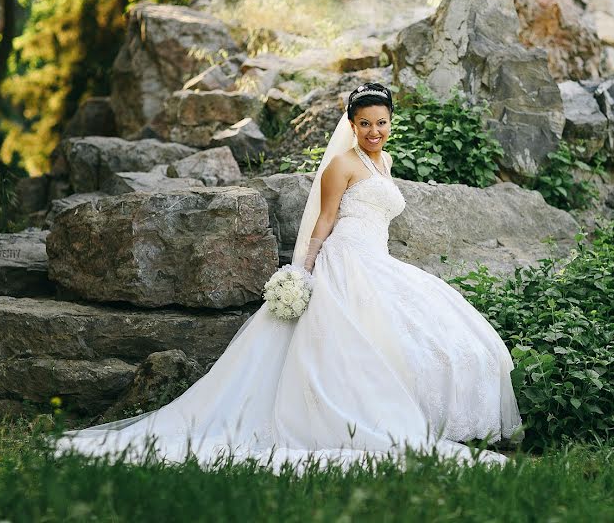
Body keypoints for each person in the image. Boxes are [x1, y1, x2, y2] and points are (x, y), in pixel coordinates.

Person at [50, 82, 524, 474]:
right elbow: (323, 220)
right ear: (351, 125)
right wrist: (303, 271)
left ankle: (423, 415)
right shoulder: (341, 165)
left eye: (381, 122)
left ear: (390, 122)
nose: (374, 131)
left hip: (378, 261)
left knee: (431, 339)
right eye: (364, 124)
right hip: (347, 261)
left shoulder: (384, 162)